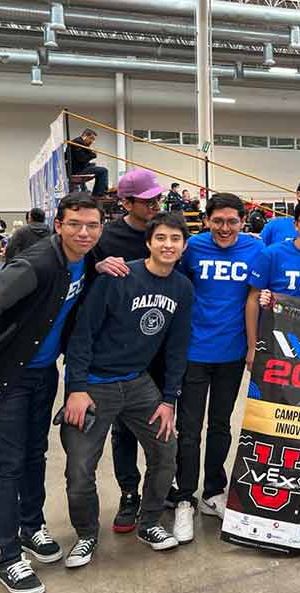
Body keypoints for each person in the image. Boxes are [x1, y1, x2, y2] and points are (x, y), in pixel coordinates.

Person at [0, 193, 102, 593]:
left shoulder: (87, 260)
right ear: (58, 225)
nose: (83, 232)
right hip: (5, 377)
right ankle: (9, 558)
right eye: (74, 224)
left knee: (35, 455)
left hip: (42, 373)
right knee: (7, 464)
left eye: (92, 225)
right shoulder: (36, 264)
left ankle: (32, 527)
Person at [62, 211, 193, 567]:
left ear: (184, 247)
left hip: (138, 383)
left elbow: (177, 348)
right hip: (93, 386)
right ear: (149, 242)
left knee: (166, 452)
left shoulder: (182, 287)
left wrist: (168, 400)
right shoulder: (118, 277)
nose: (168, 245)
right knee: (79, 468)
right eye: (161, 238)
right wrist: (76, 387)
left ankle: (149, 522)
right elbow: (82, 335)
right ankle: (87, 535)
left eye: (175, 239)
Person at [170, 194, 264, 543]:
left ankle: (213, 492)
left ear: (243, 221)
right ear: (207, 220)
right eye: (218, 221)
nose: (225, 228)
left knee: (221, 425)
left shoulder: (254, 250)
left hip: (233, 353)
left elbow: (259, 296)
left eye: (232, 221)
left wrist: (253, 348)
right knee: (189, 428)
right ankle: (184, 498)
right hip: (194, 352)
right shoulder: (192, 247)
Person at [91, 168, 165, 534]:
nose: (154, 205)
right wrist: (97, 266)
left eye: (157, 199)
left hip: (160, 347)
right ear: (126, 202)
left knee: (162, 426)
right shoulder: (108, 237)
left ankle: (159, 492)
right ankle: (129, 492)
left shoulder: (168, 230)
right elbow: (87, 284)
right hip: (120, 350)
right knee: (122, 429)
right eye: (146, 200)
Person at [246, 196, 300, 367]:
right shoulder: (272, 254)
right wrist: (252, 346)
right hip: (273, 342)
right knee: (268, 394)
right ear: (295, 224)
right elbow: (252, 299)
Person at [69, 128, 109, 198]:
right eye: (91, 138)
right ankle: (99, 194)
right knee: (103, 170)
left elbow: (85, 157)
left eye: (93, 139)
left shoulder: (81, 143)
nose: (92, 141)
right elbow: (82, 159)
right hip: (77, 170)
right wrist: (92, 154)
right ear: (85, 136)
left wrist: (91, 154)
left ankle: (98, 192)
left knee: (96, 168)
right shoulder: (77, 143)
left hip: (79, 167)